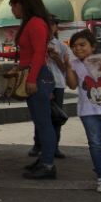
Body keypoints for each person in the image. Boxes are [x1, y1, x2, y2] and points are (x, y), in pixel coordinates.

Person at [2, 0, 57, 179]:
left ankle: (48, 165)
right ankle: (44, 160)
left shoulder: (36, 23)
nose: (13, 10)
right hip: (33, 74)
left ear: (23, 5)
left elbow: (39, 53)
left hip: (37, 76)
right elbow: (26, 53)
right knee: (39, 122)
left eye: (14, 6)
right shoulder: (30, 23)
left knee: (44, 123)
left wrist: (32, 79)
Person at [64, 29, 101, 193]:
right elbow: (72, 85)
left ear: (93, 46)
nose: (78, 48)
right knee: (95, 145)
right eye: (74, 46)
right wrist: (67, 67)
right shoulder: (75, 64)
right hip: (88, 112)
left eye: (82, 45)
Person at [28, 15, 68, 159]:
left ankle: (55, 146)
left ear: (56, 27)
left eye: (52, 24)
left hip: (57, 83)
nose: (49, 27)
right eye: (46, 24)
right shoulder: (36, 43)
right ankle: (38, 145)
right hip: (41, 82)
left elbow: (65, 69)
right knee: (40, 115)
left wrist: (56, 58)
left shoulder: (61, 46)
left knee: (56, 116)